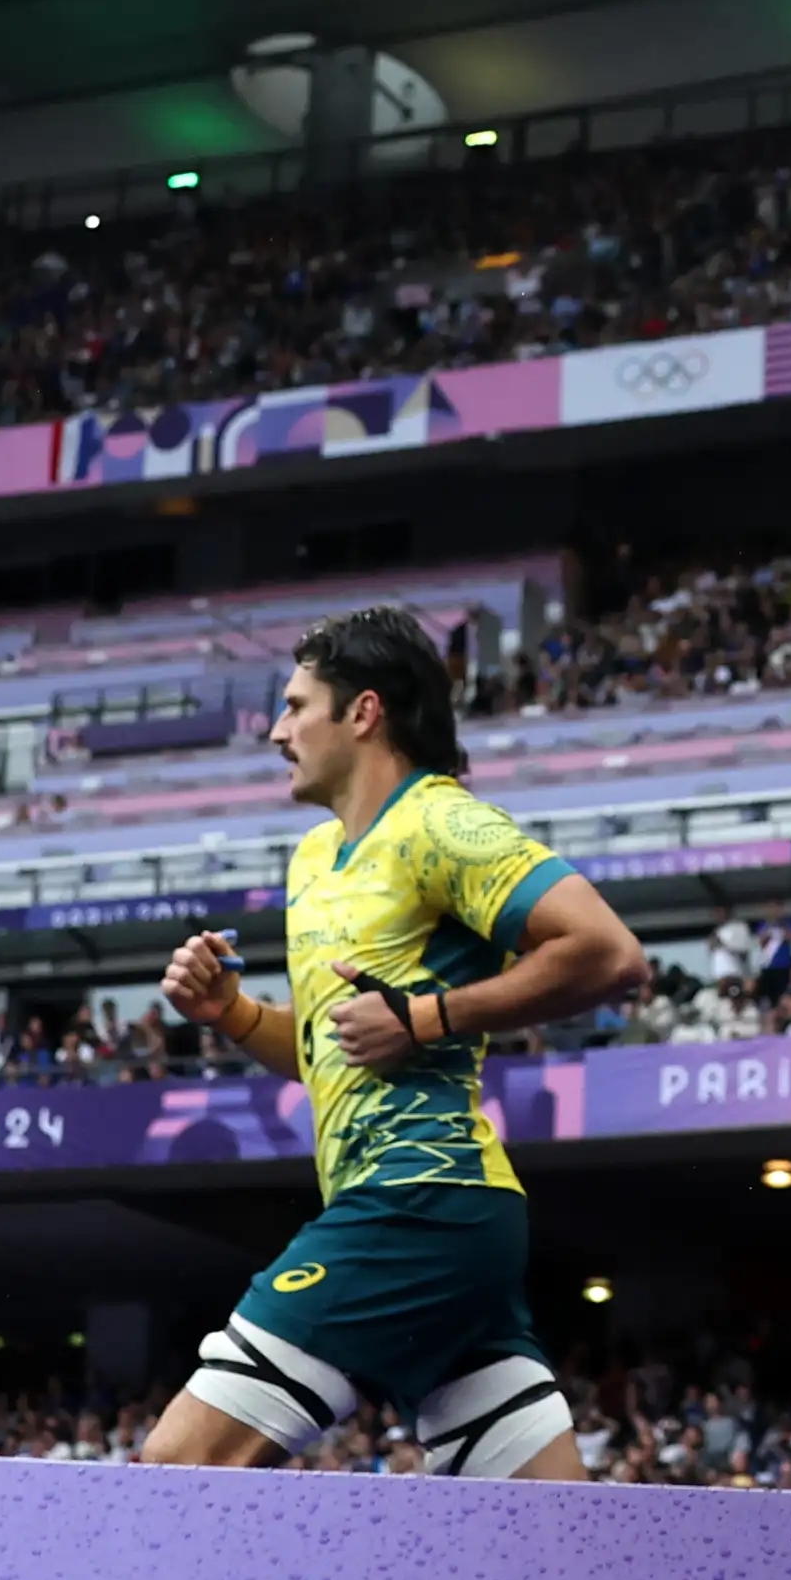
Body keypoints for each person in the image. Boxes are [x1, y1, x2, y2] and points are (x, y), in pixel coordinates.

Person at [145, 605, 649, 1480]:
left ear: (365, 712)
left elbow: (610, 954)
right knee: (563, 1550)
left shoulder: (443, 823)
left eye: (298, 705)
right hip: (451, 1222)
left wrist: (427, 1017)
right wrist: (230, 1012)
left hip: (416, 1200)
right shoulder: (311, 858)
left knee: (180, 1465)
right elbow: (326, 1053)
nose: (276, 730)